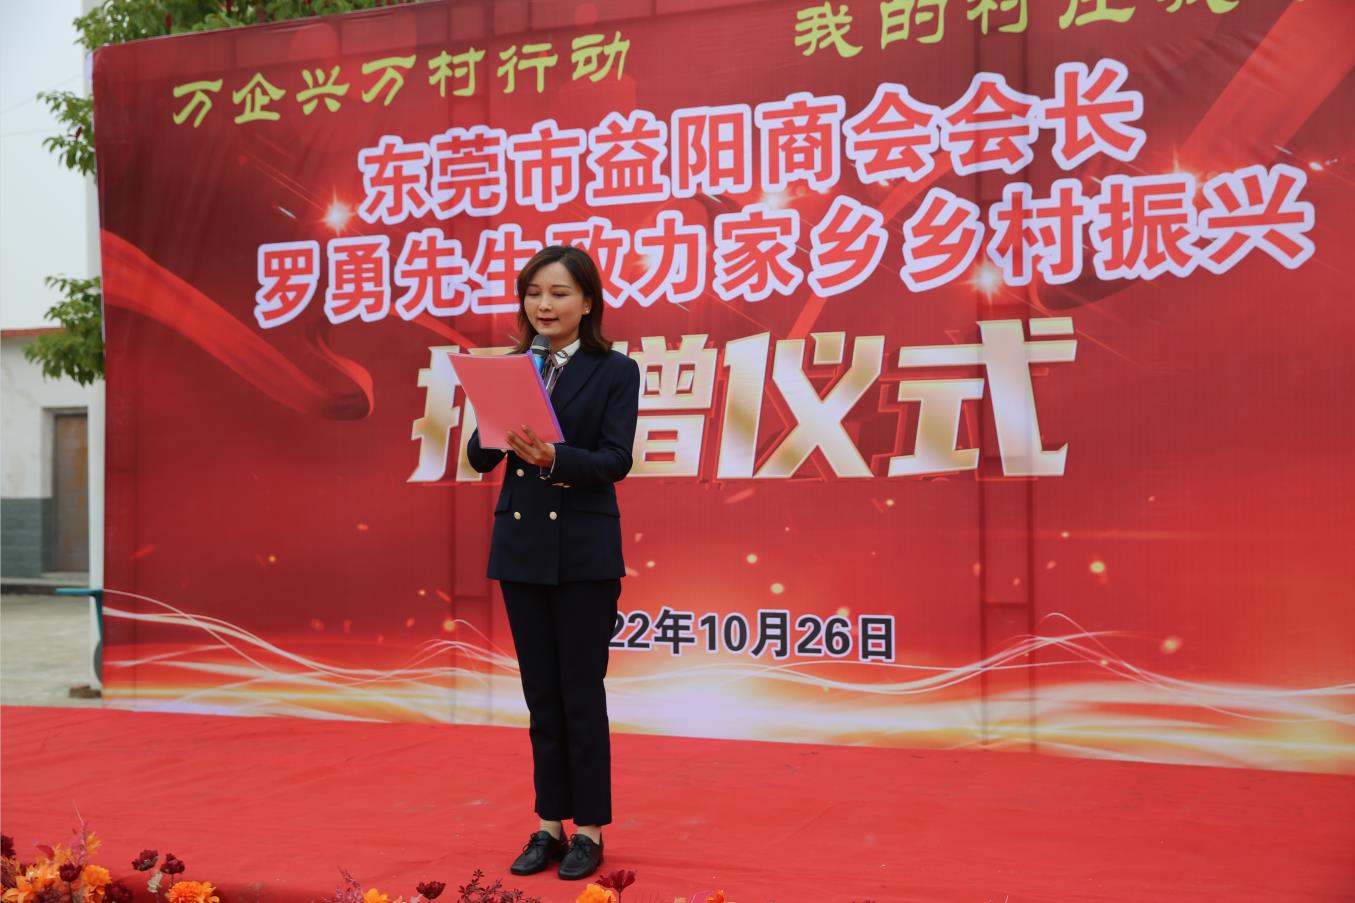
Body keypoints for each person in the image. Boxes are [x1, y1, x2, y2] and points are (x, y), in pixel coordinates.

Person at [466, 245, 640, 881]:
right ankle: (549, 826)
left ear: (587, 301)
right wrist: (495, 417)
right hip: (521, 550)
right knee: (540, 695)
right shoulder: (515, 367)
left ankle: (589, 830)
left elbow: (616, 460)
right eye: (534, 292)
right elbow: (480, 459)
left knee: (579, 693)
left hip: (584, 553)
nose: (544, 304)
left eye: (559, 293)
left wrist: (552, 458)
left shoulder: (615, 370)